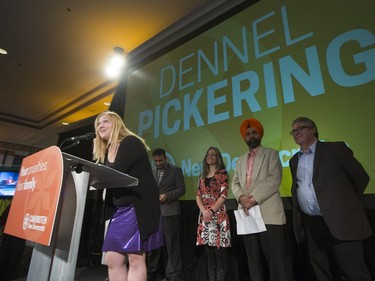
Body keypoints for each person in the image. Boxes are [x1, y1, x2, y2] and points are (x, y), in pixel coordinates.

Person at [289, 116, 372, 281]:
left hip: (340, 220)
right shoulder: (293, 161)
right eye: (293, 131)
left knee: (353, 271)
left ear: (313, 129)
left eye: (301, 128)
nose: (296, 132)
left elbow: (361, 177)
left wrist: (344, 203)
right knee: (322, 270)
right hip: (311, 224)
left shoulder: (335, 149)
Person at [92, 110, 163, 281]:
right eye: (98, 124)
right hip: (120, 209)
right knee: (113, 259)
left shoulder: (130, 142)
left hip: (137, 208)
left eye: (105, 121)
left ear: (116, 124)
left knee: (135, 258)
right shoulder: (107, 149)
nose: (101, 125)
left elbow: (115, 173)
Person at [231, 117, 293, 281]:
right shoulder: (240, 159)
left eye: (254, 132)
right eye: (248, 134)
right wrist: (241, 198)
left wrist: (252, 200)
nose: (251, 136)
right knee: (253, 261)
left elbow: (273, 180)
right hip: (247, 215)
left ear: (260, 134)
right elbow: (235, 183)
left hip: (268, 214)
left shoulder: (272, 154)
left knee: (276, 262)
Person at [147, 148, 186, 281]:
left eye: (160, 160)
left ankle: (173, 276)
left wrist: (167, 196)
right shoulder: (151, 171)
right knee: (153, 247)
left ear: (166, 158)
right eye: (155, 161)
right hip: (154, 214)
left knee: (172, 247)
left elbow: (181, 189)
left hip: (170, 213)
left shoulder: (176, 170)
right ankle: (151, 273)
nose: (158, 163)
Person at [196, 146, 231, 281]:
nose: (210, 157)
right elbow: (198, 195)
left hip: (218, 216)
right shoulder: (202, 176)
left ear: (218, 158)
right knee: (209, 251)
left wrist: (211, 210)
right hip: (205, 216)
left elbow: (223, 195)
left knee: (219, 251)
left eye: (213, 155)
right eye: (208, 154)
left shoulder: (223, 174)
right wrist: (204, 211)